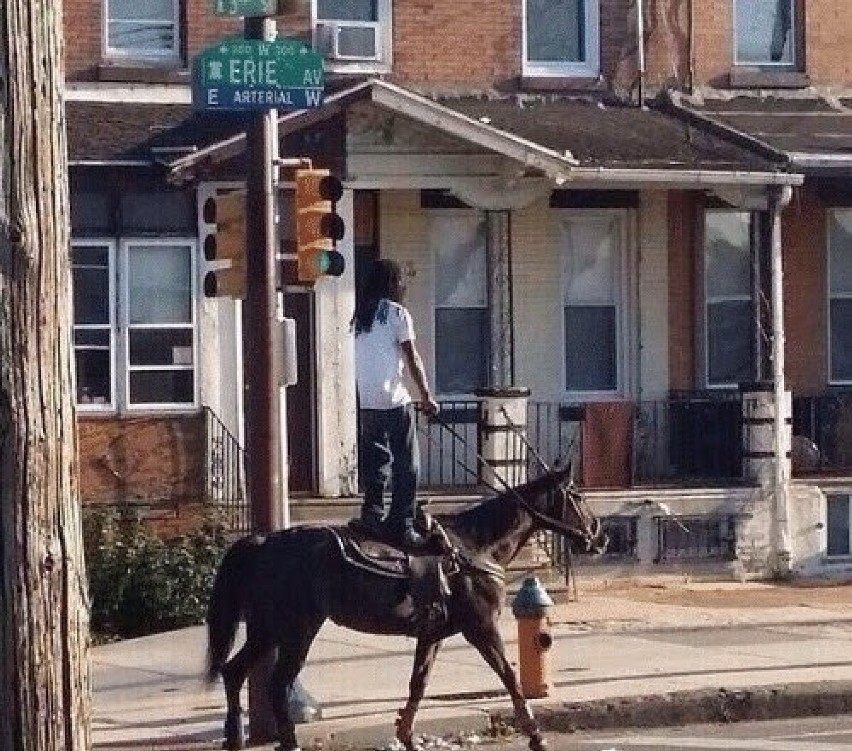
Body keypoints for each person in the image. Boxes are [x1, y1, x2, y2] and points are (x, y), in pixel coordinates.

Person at [352, 258, 439, 548]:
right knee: (407, 465)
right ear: (392, 283)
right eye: (401, 281)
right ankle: (401, 524)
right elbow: (411, 357)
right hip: (394, 400)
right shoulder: (397, 314)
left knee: (377, 464)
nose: (403, 286)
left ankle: (372, 516)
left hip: (367, 402)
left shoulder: (359, 317)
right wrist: (426, 396)